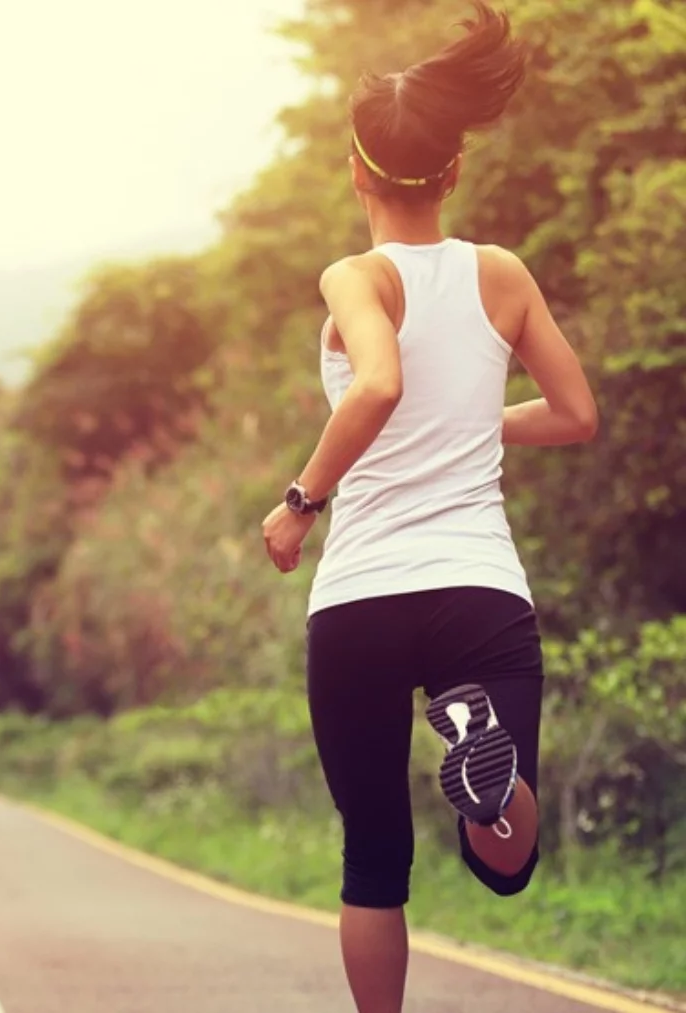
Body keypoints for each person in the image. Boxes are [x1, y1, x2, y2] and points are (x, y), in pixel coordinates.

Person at [259, 3, 598, 1011]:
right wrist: (471, 427)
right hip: (477, 591)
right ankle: (480, 764)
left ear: (355, 172)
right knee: (501, 861)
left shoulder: (353, 276)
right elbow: (576, 413)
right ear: (452, 171)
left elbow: (374, 386)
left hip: (361, 596)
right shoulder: (500, 273)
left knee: (371, 857)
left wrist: (296, 502)